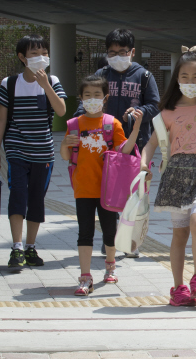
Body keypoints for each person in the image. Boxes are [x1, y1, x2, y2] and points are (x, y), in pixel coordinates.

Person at [140, 50, 196, 307]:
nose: (190, 81)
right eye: (185, 76)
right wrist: (144, 164)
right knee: (180, 234)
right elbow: (151, 144)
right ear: (176, 78)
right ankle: (178, 287)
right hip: (176, 175)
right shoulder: (166, 112)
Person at [74, 29, 160, 258]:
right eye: (112, 52)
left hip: (135, 144)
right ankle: (111, 240)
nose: (117, 57)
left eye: (122, 52)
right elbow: (87, 101)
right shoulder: (102, 73)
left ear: (132, 52)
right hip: (104, 148)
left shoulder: (144, 76)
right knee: (109, 193)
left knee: (134, 195)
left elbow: (155, 104)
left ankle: (131, 241)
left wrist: (140, 111)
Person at [60, 75, 144, 296]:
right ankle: (85, 276)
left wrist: (135, 130)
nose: (92, 99)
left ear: (105, 98)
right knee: (84, 233)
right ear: (80, 98)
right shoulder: (74, 125)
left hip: (108, 190)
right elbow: (64, 155)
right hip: (83, 189)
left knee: (109, 231)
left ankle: (110, 265)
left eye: (97, 95)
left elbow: (124, 151)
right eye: (87, 95)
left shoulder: (111, 123)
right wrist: (64, 143)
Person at [0, 34, 67, 268]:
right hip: (17, 150)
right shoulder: (10, 83)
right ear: (22, 57)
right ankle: (16, 248)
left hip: (43, 152)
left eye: (44, 53)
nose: (41, 57)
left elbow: (62, 111)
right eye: (34, 54)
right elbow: (1, 119)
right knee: (18, 195)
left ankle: (31, 247)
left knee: (36, 200)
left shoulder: (52, 81)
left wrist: (45, 86)